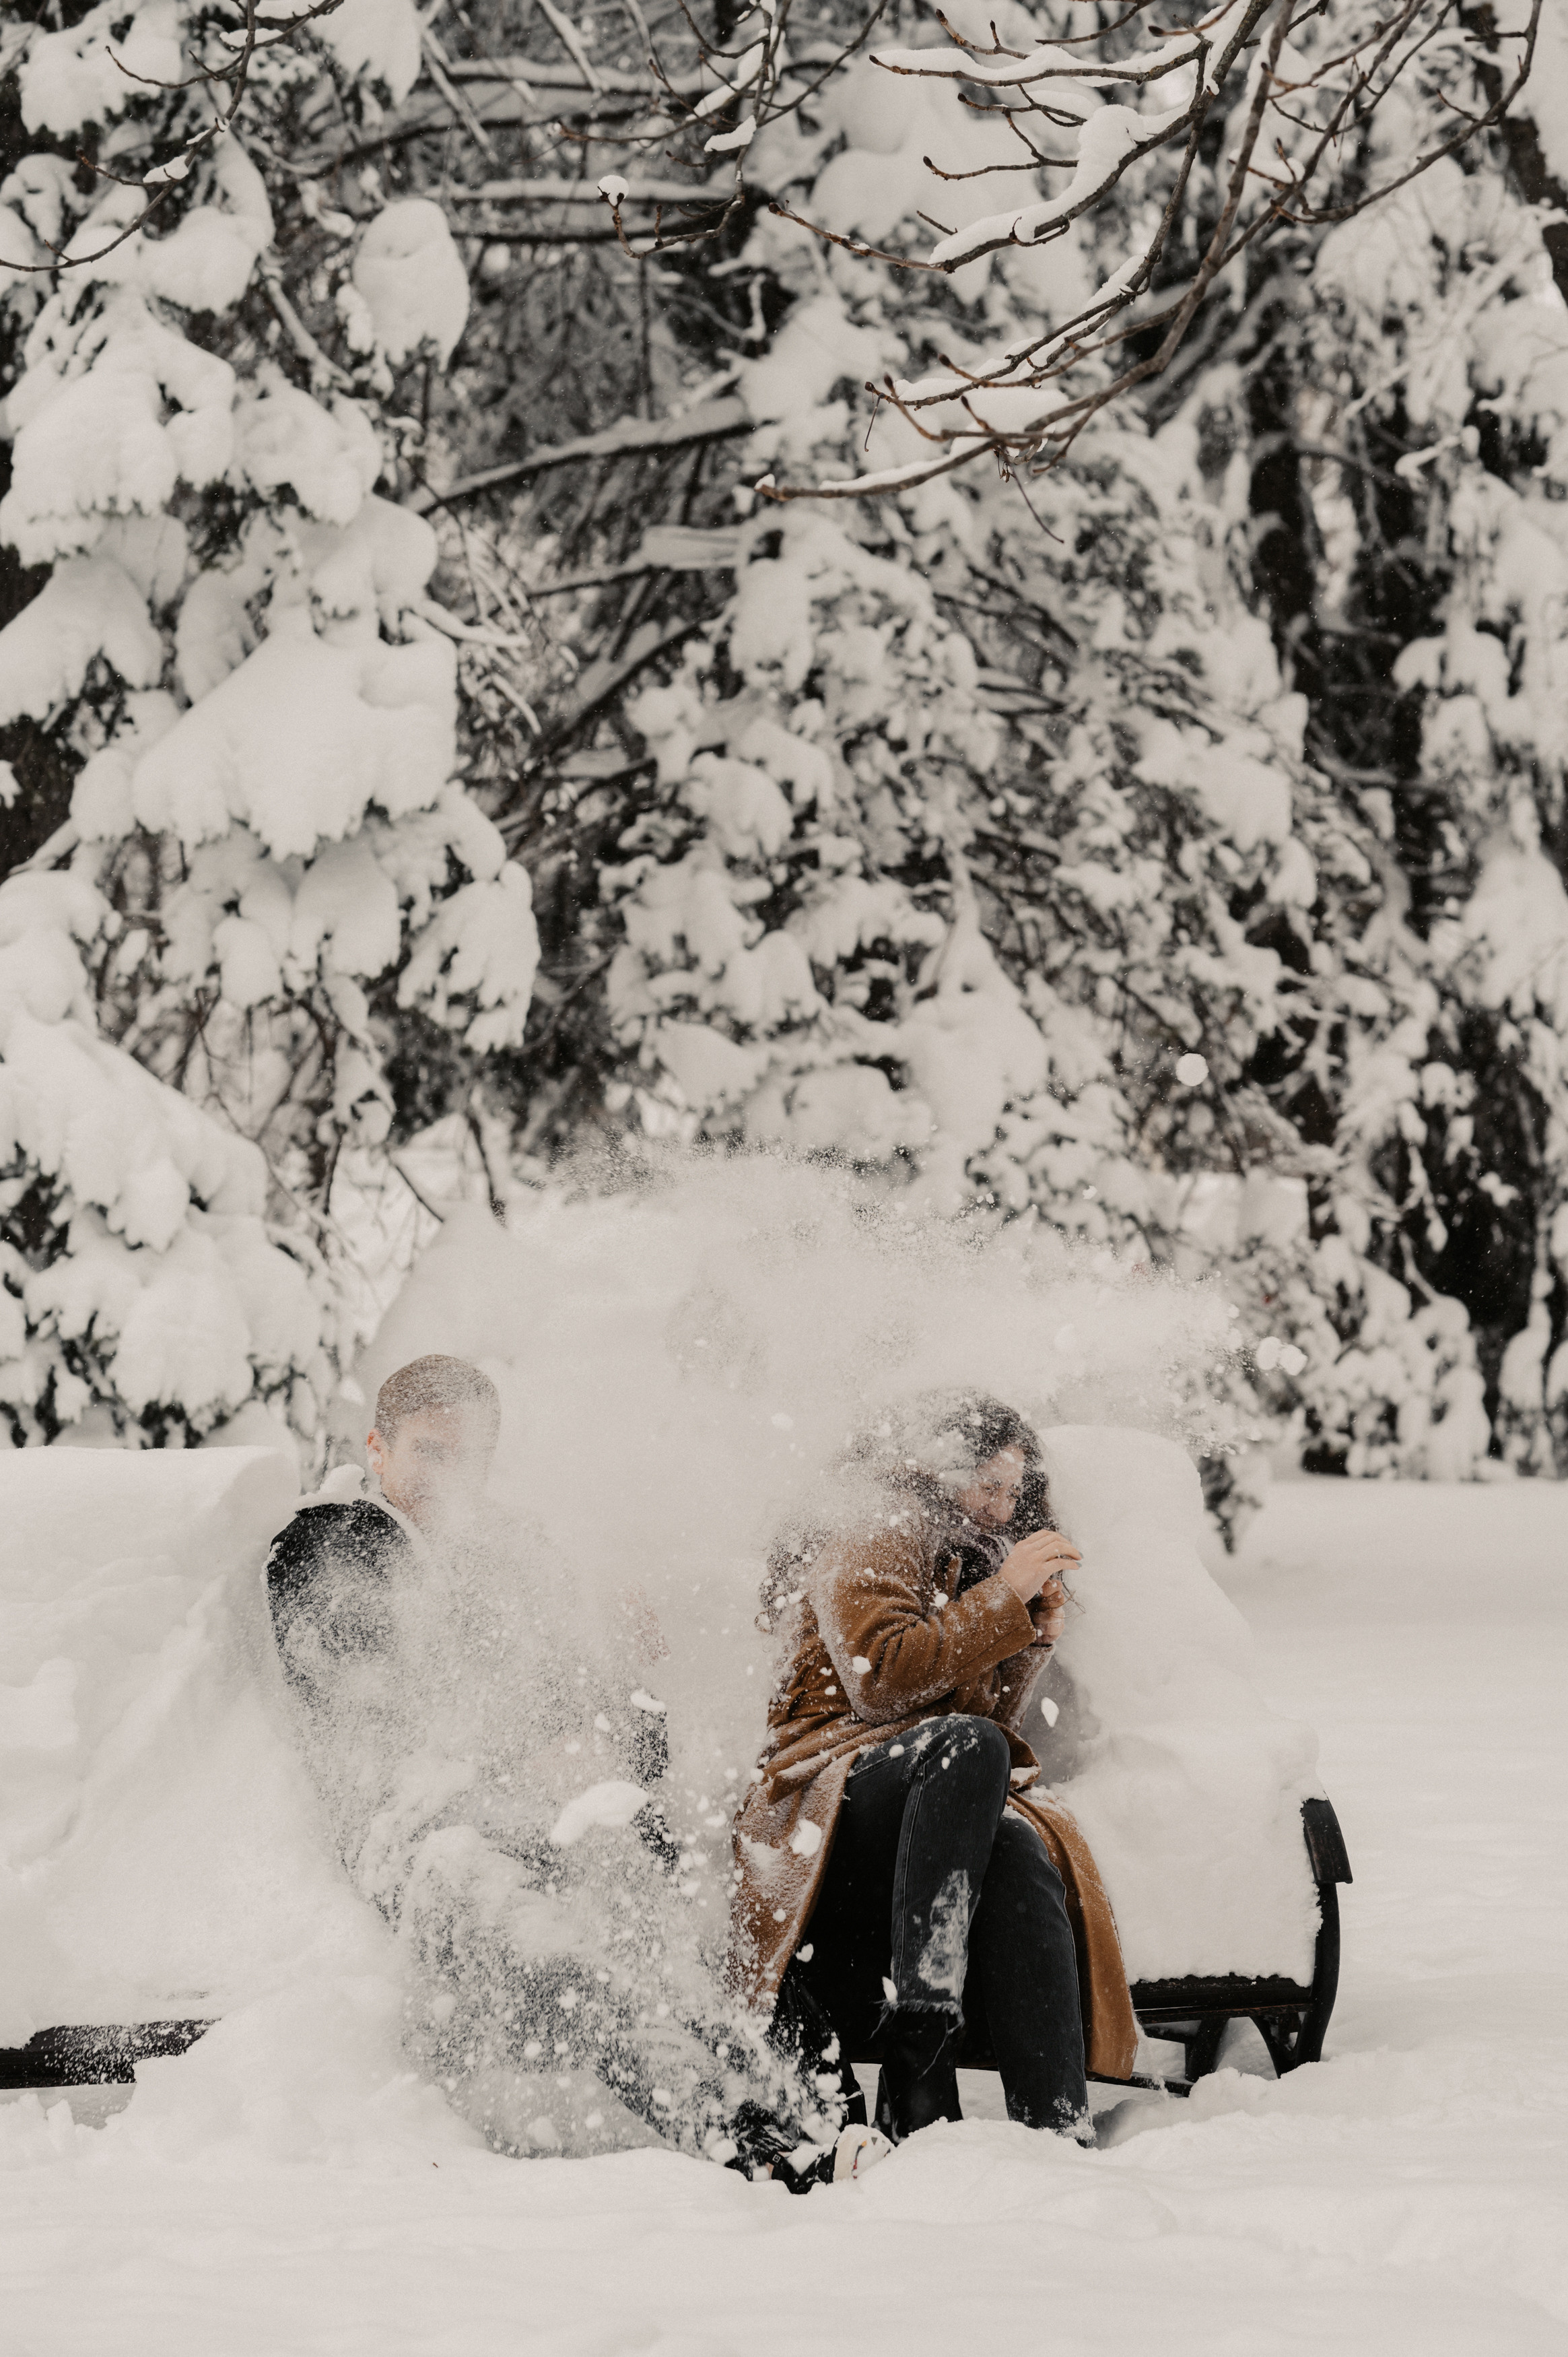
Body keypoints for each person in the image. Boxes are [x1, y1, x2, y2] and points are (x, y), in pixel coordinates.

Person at [267, 1353, 883, 2187]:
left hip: (545, 1814)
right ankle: (754, 2143)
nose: (451, 1476)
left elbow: (614, 1724)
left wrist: (629, 1689)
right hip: (421, 1834)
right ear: (378, 1448)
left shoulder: (513, 1554)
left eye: (471, 1456)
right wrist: (522, 1748)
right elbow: (375, 1715)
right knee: (555, 1943)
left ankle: (834, 2120)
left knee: (678, 1911)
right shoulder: (328, 1546)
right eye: (428, 1451)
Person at [731, 1390, 1139, 2144]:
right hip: (821, 1778)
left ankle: (1055, 2127)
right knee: (968, 1750)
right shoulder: (876, 1522)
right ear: (935, 1469)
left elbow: (973, 1729)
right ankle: (920, 2059)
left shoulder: (959, 1550)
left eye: (1012, 1491)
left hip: (918, 1780)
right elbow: (879, 1676)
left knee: (1015, 1844)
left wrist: (1029, 1640)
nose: (999, 1506)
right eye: (987, 1484)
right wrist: (1002, 1595)